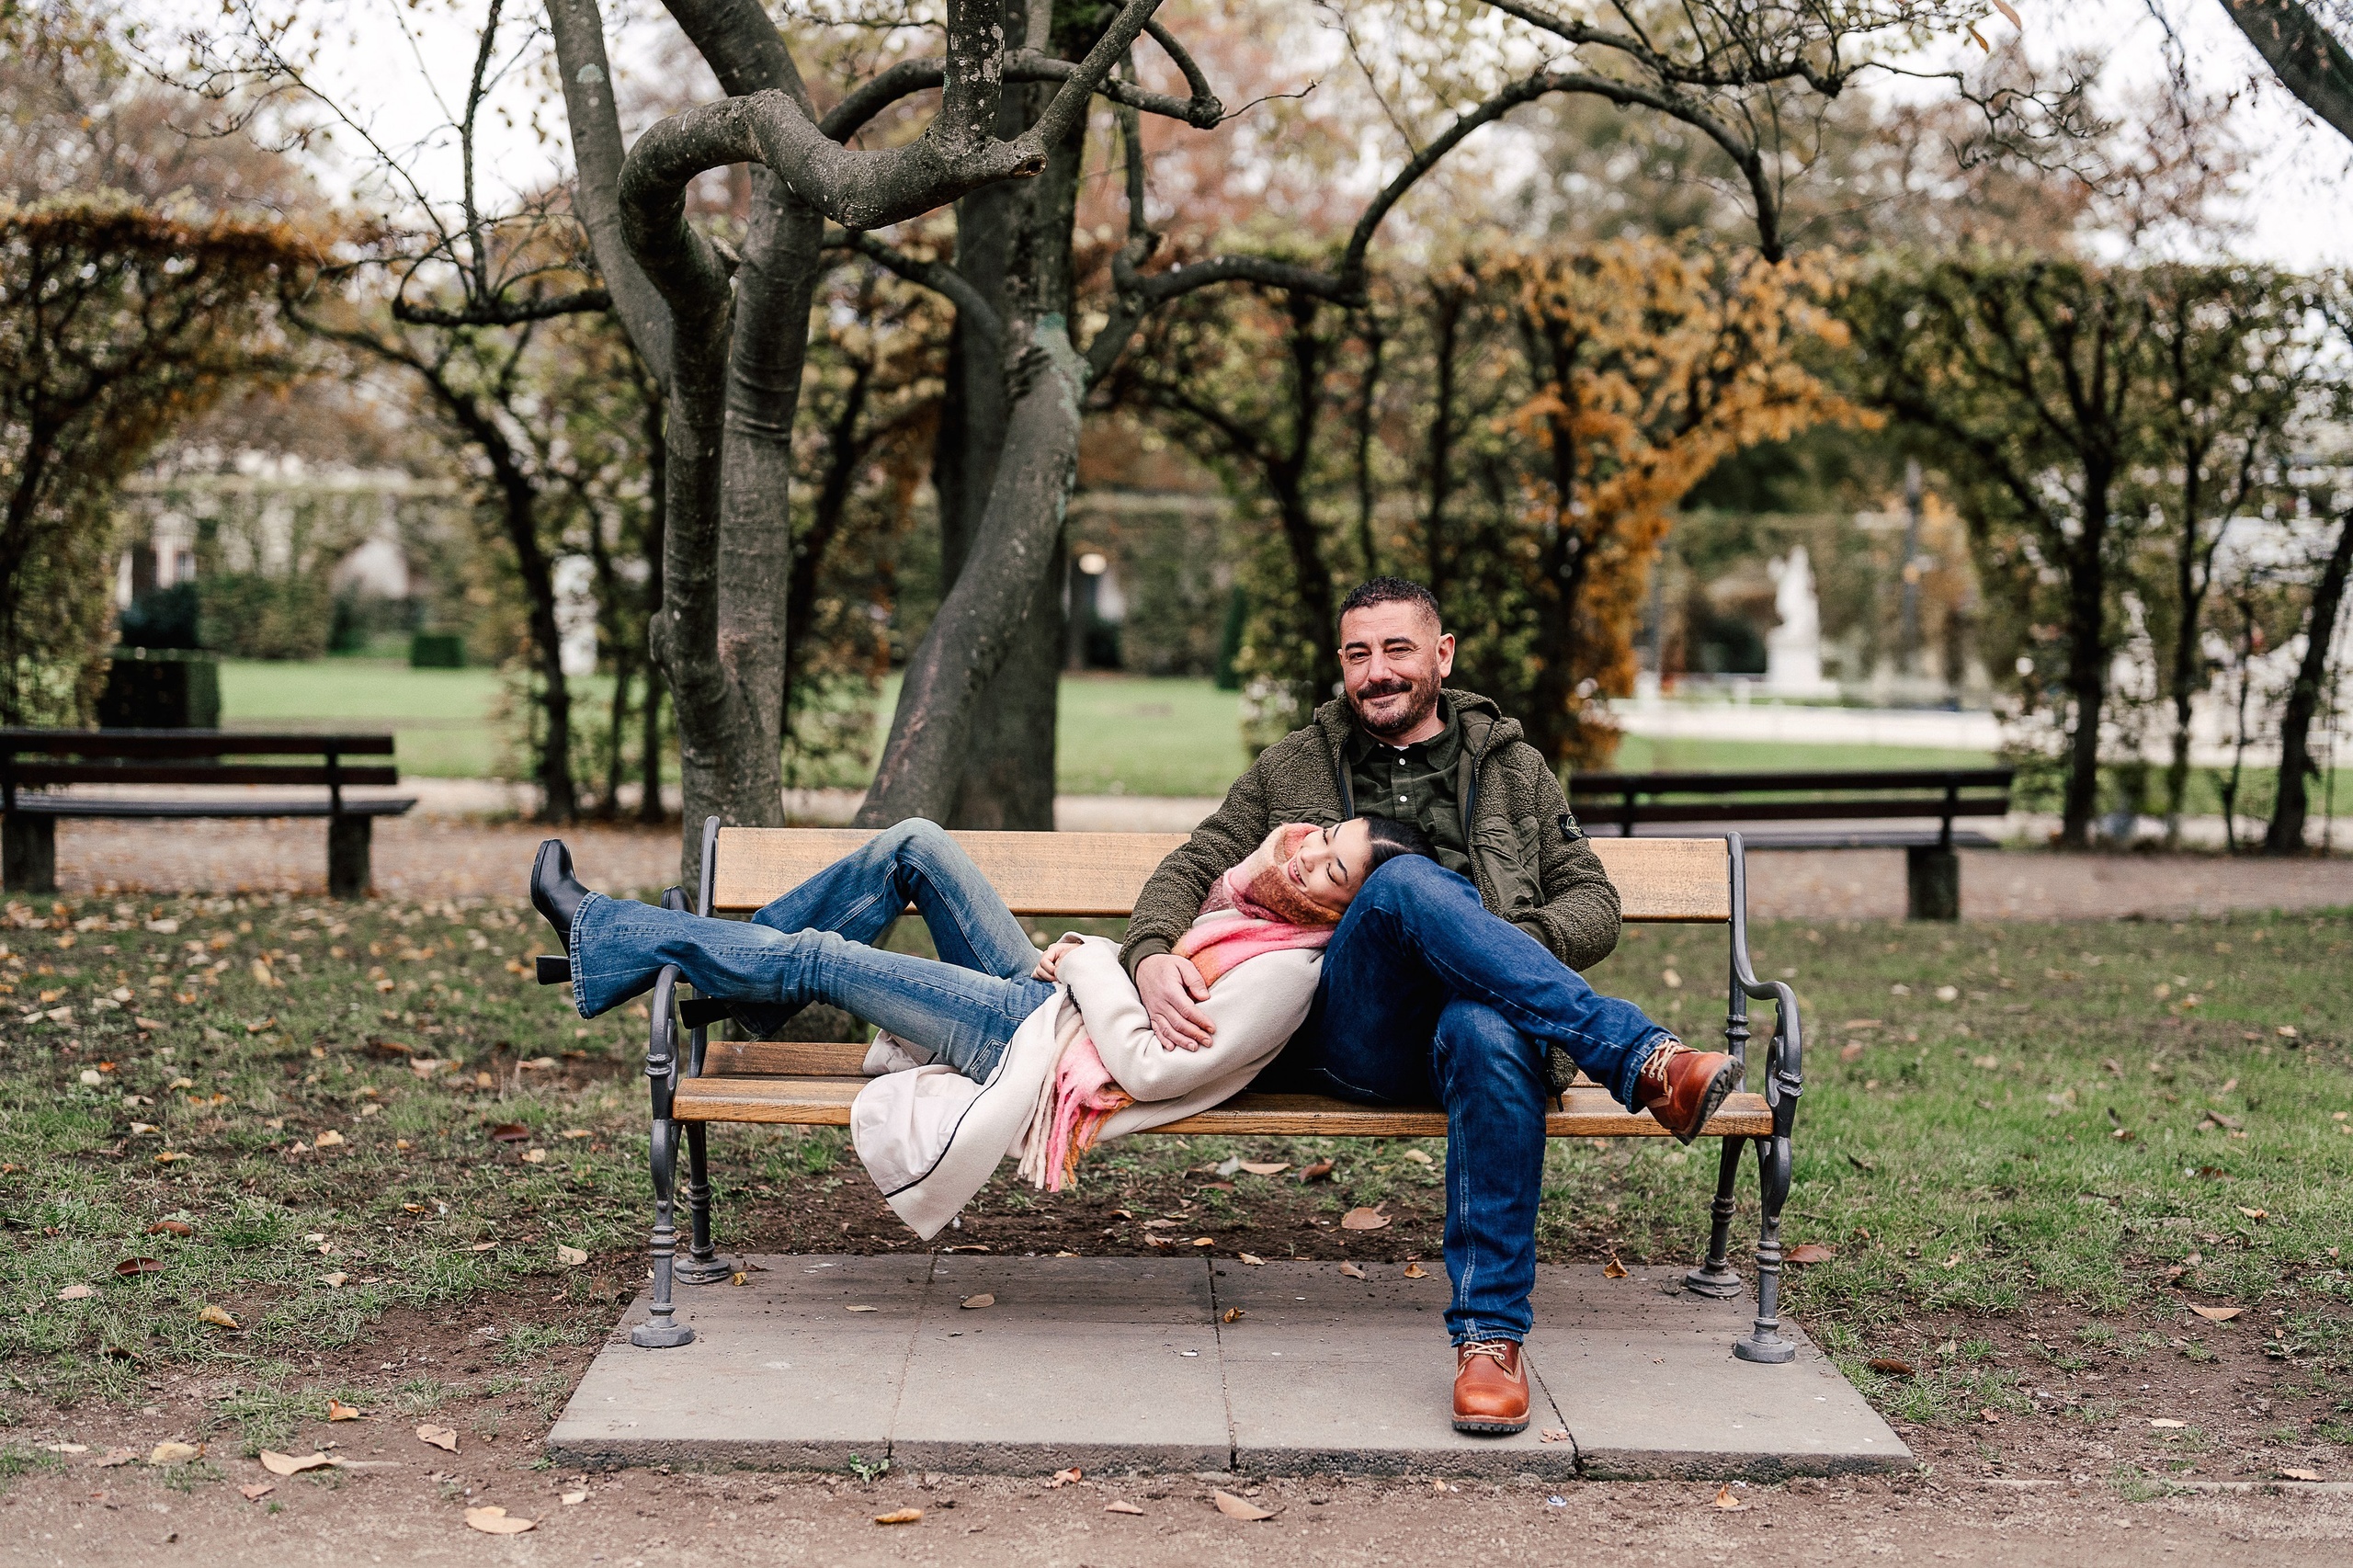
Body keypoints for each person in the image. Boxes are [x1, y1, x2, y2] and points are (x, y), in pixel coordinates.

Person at [1121, 575, 1738, 1436]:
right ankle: (1641, 1058)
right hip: (1353, 1027)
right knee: (1404, 878)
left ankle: (1490, 1341)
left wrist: (1504, 950)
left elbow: (1594, 901)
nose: (1376, 671)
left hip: (1478, 1028)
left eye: (1397, 649)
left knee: (1488, 1028)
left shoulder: (1513, 770)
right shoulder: (1295, 765)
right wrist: (1149, 954)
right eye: (1357, 654)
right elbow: (1194, 864)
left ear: (1441, 656)